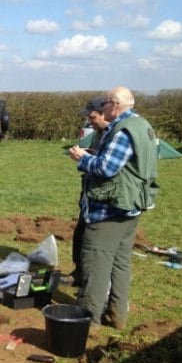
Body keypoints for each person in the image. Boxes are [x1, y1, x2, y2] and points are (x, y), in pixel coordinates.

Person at [68, 86, 159, 329]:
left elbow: (107, 169)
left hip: (109, 209)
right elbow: (126, 164)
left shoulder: (121, 131)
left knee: (95, 263)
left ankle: (88, 321)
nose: (102, 107)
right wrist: (95, 153)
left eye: (105, 103)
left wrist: (82, 158)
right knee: (120, 262)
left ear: (113, 105)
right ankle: (117, 315)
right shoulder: (142, 125)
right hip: (131, 207)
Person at [69, 96, 110, 287]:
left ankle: (91, 282)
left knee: (93, 243)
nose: (89, 121)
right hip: (88, 193)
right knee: (80, 235)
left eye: (92, 117)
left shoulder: (114, 134)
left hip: (102, 198)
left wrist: (84, 158)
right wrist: (89, 153)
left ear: (104, 113)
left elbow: (107, 167)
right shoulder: (98, 134)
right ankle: (79, 272)